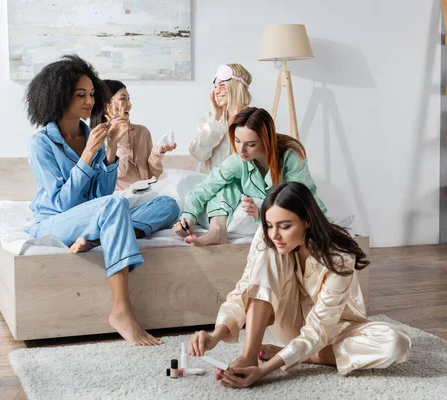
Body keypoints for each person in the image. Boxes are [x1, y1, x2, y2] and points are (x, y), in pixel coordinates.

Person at [187, 181, 411, 387]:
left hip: (333, 328)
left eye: (285, 226)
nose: (275, 234)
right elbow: (246, 288)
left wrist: (266, 368)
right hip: (289, 321)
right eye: (269, 224)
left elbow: (319, 329)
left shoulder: (338, 257)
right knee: (269, 251)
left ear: (307, 221)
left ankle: (298, 354)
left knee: (396, 343)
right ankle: (249, 354)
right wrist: (215, 336)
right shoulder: (268, 238)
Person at [25, 54, 179, 346]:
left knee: (168, 203)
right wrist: (86, 158)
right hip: (53, 223)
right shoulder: (41, 143)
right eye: (80, 94)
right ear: (58, 96)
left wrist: (109, 152)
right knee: (116, 206)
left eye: (92, 94)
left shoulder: (91, 134)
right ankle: (121, 311)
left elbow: (100, 197)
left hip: (89, 218)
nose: (89, 101)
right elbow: (63, 204)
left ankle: (97, 238)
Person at [173, 107, 326, 246]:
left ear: (266, 142)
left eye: (251, 144)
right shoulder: (238, 160)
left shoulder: (290, 156)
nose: (241, 149)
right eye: (237, 141)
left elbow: (301, 198)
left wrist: (261, 213)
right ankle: (217, 231)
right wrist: (188, 216)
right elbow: (206, 188)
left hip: (289, 210)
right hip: (242, 209)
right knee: (226, 185)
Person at [97, 80, 176, 191]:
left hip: (148, 196)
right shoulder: (98, 139)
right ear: (106, 106)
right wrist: (121, 139)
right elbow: (119, 171)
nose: (129, 105)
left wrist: (157, 153)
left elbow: (154, 174)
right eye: (123, 99)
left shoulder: (142, 132)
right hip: (122, 200)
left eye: (128, 99)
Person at [189, 64, 252, 173]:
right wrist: (215, 118)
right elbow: (198, 154)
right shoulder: (209, 119)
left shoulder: (255, 119)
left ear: (236, 86)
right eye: (215, 87)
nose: (216, 91)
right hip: (209, 185)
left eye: (221, 85)